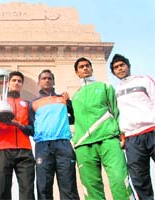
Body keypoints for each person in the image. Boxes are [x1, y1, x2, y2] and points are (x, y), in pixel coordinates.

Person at [72, 57, 132, 200]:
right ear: (77, 73)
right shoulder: (75, 96)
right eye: (81, 67)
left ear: (92, 69)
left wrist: (122, 133)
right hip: (83, 144)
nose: (85, 68)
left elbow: (116, 111)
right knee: (91, 187)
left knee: (119, 179)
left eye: (87, 65)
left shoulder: (105, 87)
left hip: (108, 139)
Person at [110, 54, 155, 200]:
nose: (119, 69)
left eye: (122, 65)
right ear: (113, 72)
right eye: (116, 67)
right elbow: (116, 114)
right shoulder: (115, 91)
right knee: (139, 180)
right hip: (132, 138)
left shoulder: (144, 80)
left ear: (128, 66)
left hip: (152, 130)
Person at [29, 69, 79, 200]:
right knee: (44, 187)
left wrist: (68, 102)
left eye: (49, 78)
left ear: (53, 82)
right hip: (43, 146)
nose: (47, 80)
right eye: (44, 78)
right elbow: (31, 125)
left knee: (68, 186)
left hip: (63, 144)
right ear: (39, 82)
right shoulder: (33, 103)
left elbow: (75, 118)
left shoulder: (62, 99)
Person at [0, 71, 35, 200]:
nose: (16, 83)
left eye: (19, 81)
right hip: (2, 149)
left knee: (27, 190)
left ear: (22, 84)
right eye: (14, 80)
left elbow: (33, 129)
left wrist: (19, 125)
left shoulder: (27, 104)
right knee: (1, 190)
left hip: (24, 150)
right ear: (7, 83)